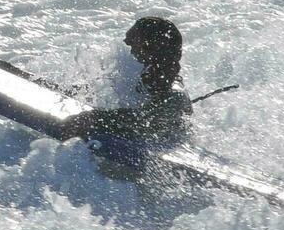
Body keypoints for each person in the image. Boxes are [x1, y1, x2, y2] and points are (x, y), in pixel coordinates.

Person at [57, 17, 193, 159]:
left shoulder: (174, 96)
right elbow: (95, 92)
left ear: (150, 51)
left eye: (131, 44)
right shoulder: (140, 78)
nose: (125, 47)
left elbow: (141, 121)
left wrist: (93, 118)